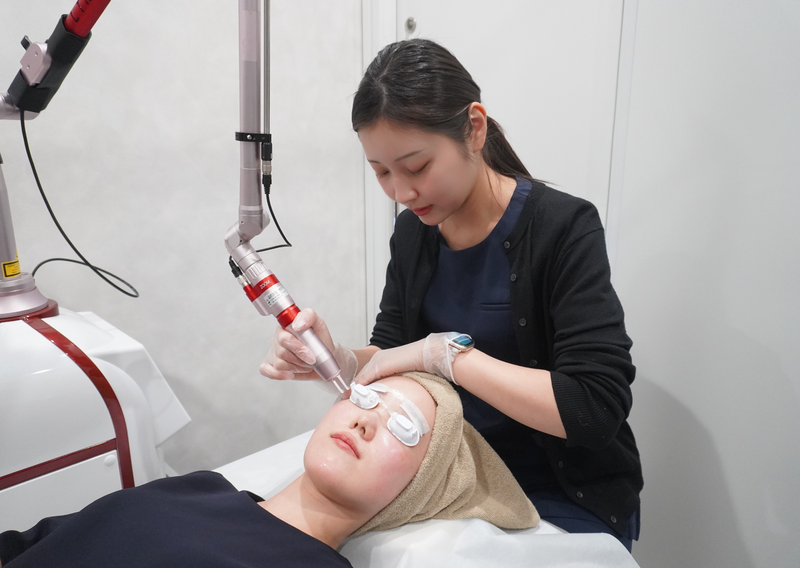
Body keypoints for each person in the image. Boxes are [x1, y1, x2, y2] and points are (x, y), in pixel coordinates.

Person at [261, 38, 643, 550]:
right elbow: (395, 348)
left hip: (560, 491)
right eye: (381, 172)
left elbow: (593, 409)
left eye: (416, 167)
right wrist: (341, 360)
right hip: (452, 479)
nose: (401, 192)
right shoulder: (414, 233)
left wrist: (449, 357)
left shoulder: (562, 227)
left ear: (474, 128)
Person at [0, 373, 538, 567]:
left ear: (418, 489)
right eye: (367, 397)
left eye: (404, 427)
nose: (367, 420)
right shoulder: (200, 487)